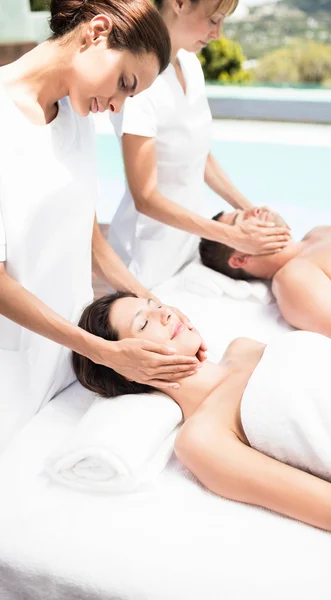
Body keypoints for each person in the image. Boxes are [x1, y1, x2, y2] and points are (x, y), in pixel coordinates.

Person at [0, 0, 206, 452]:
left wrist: (158, 307)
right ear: (97, 31)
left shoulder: (75, 114)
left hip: (67, 358)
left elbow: (89, 240)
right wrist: (103, 351)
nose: (116, 107)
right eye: (124, 84)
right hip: (12, 371)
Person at [72, 291, 331, 538]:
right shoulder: (203, 439)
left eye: (156, 305)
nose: (166, 314)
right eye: (143, 323)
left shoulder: (242, 347)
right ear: (128, 368)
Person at [108, 0, 291, 289]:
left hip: (187, 241)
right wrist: (232, 237)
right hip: (145, 253)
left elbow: (198, 156)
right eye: (214, 19)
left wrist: (251, 211)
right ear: (178, 3)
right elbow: (145, 198)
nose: (218, 33)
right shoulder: (139, 80)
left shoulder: (190, 65)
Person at [199, 207, 331, 355]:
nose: (254, 210)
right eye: (240, 221)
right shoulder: (293, 281)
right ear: (240, 259)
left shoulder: (319, 232)